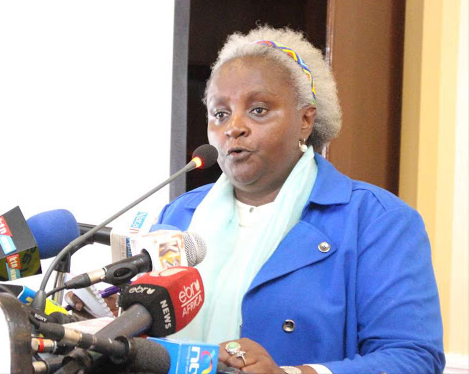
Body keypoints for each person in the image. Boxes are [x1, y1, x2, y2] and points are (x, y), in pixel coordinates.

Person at [155, 26, 445, 374]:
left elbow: (412, 358)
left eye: (258, 110)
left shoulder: (377, 220)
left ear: (306, 120)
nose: (233, 127)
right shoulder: (181, 214)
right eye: (220, 113)